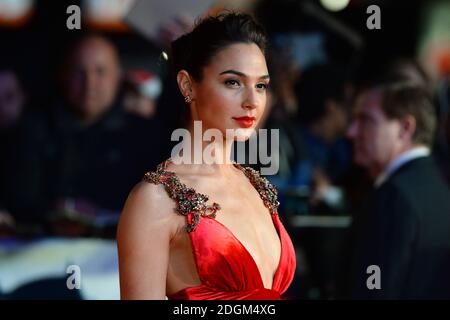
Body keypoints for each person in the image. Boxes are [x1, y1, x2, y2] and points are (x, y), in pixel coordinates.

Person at [117, 12, 296, 300]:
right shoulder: (155, 200)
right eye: (233, 83)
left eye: (260, 85)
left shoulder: (257, 186)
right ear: (188, 86)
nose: (252, 101)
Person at [345, 80, 450, 299]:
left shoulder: (392, 197)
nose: (352, 132)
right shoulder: (440, 187)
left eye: (366, 120)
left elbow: (373, 287)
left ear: (404, 128)